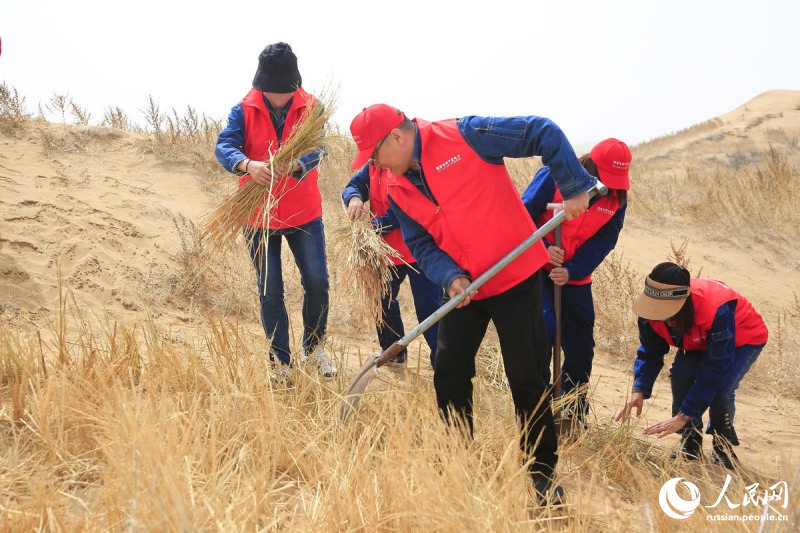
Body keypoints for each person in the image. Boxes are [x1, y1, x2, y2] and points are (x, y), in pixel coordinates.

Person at [349, 104, 596, 505]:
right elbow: (421, 244)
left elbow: (542, 131)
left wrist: (573, 186)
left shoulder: (466, 135)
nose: (375, 166)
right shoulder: (395, 184)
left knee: (527, 376)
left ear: (396, 137)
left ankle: (541, 473)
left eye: (375, 156)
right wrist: (450, 277)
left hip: (514, 276)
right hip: (467, 290)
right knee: (448, 370)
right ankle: (457, 458)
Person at [215, 42, 334, 379]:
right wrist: (246, 164)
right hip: (258, 216)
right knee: (270, 290)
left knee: (317, 282)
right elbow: (224, 145)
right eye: (271, 90)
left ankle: (314, 350)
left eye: (284, 91)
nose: (278, 97)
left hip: (304, 213)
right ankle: (280, 363)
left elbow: (319, 147)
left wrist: (297, 164)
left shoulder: (313, 107)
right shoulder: (243, 108)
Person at [522, 138, 631, 426]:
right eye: (605, 177)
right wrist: (541, 249)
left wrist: (573, 269)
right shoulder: (554, 174)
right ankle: (539, 410)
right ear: (591, 165)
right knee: (543, 331)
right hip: (538, 269)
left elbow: (605, 239)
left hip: (576, 277)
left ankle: (572, 410)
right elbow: (522, 215)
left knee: (581, 346)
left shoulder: (618, 196)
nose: (608, 186)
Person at [616, 262, 768, 469]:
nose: (667, 321)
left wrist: (684, 415)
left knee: (721, 391)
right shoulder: (649, 311)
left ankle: (722, 445)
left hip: (743, 339)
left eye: (670, 313)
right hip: (699, 339)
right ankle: (690, 441)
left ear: (684, 303)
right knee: (681, 374)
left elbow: (716, 367)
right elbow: (651, 352)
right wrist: (639, 390)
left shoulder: (716, 309)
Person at [342, 163, 443, 368]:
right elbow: (354, 185)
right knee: (382, 300)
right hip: (387, 253)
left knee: (429, 305)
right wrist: (354, 198)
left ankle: (442, 359)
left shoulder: (406, 165)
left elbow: (405, 209)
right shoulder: (372, 166)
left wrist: (375, 227)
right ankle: (393, 351)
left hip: (419, 250)